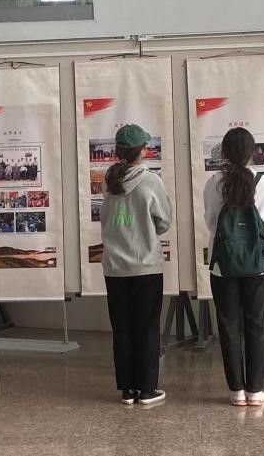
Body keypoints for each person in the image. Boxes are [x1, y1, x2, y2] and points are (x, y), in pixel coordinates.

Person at [100, 124, 173, 406]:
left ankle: (127, 390)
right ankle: (147, 389)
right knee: (147, 327)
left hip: (115, 267)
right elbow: (164, 222)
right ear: (142, 150)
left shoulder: (109, 180)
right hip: (145, 266)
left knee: (122, 328)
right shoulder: (151, 181)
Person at [204, 127, 264, 407]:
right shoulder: (263, 182)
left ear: (224, 152)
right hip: (257, 263)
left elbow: (211, 223)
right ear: (251, 152)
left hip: (223, 264)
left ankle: (236, 391)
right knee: (256, 325)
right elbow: (263, 221)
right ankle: (255, 391)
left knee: (229, 325)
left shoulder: (214, 183)